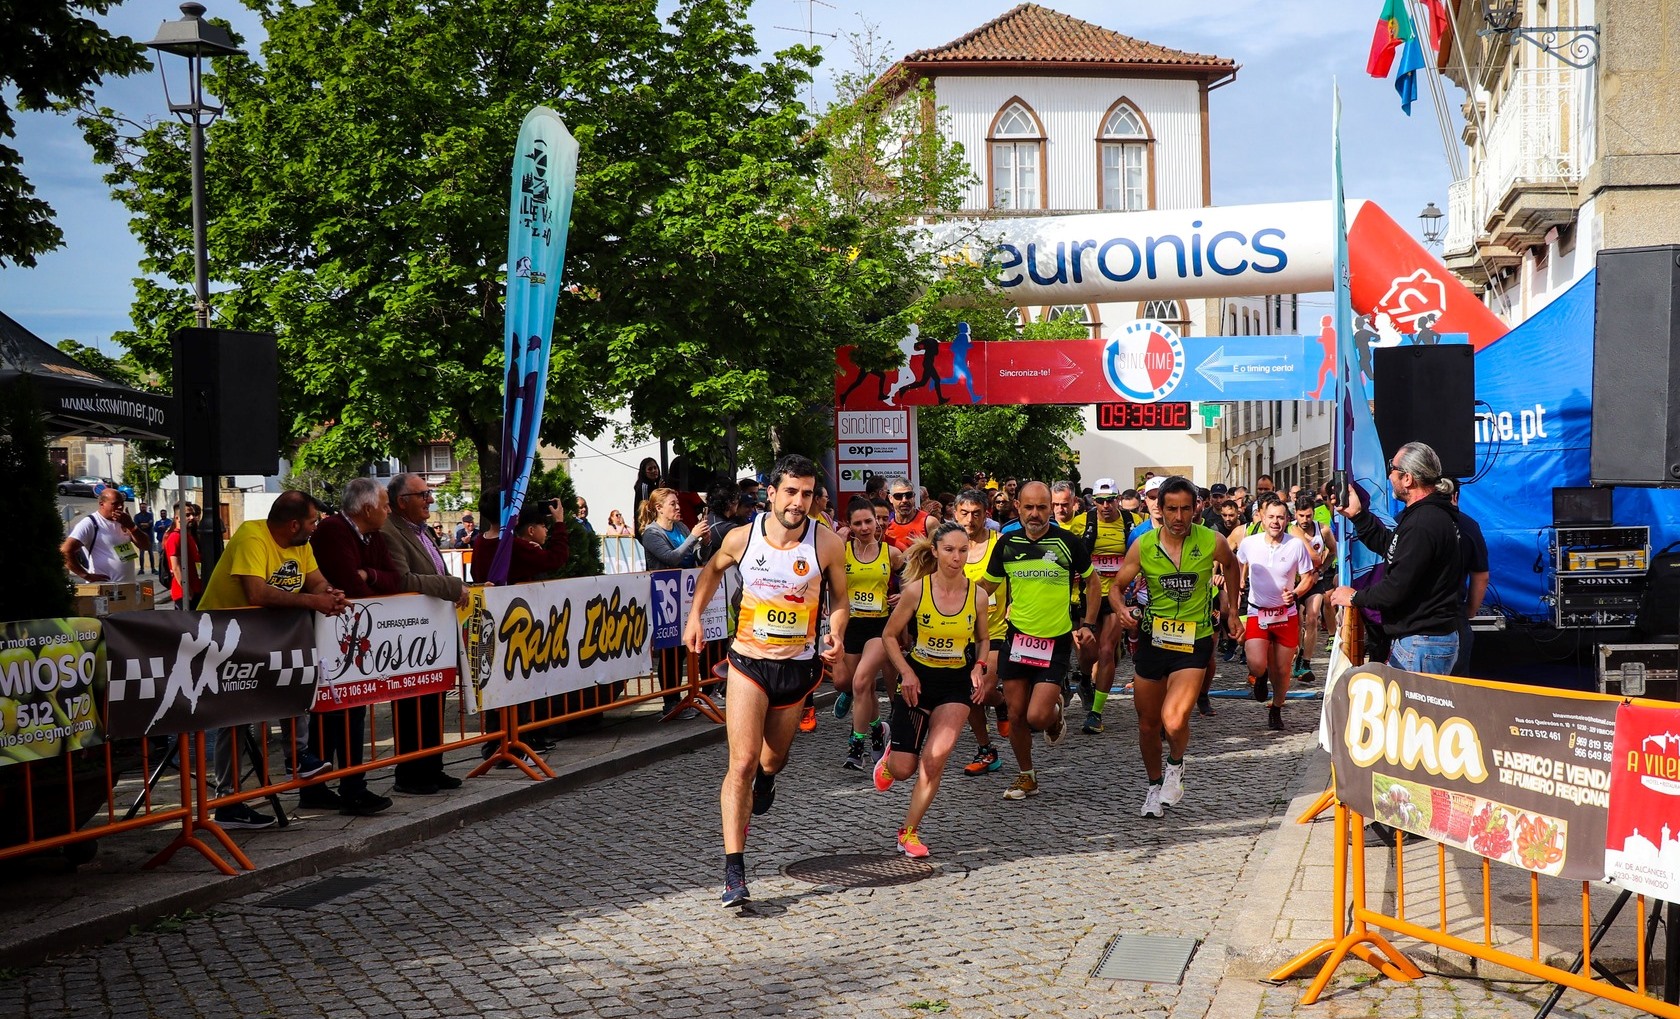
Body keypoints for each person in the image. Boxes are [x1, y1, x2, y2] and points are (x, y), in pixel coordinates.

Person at [683, 454, 848, 908]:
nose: (798, 502)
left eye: (807, 494)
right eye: (790, 492)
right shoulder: (742, 537)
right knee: (741, 762)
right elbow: (712, 571)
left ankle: (768, 778)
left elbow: (840, 600)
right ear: (771, 493)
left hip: (796, 668)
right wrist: (695, 617)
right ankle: (734, 872)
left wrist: (835, 633)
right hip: (748, 662)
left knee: (772, 760)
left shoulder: (827, 543)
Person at [198, 491, 346, 830]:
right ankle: (228, 801)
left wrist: (330, 593)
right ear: (294, 524)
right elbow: (257, 592)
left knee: (294, 680)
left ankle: (298, 756)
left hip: (265, 634)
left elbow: (317, 581)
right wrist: (313, 602)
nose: (316, 527)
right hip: (224, 635)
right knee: (237, 715)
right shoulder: (252, 536)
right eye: (312, 521)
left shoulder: (300, 544)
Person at [1107, 476, 1242, 818]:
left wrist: (1233, 611)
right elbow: (1116, 586)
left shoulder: (1212, 540)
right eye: (1171, 509)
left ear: (1196, 508)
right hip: (1153, 640)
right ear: (1160, 509)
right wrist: (1121, 609)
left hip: (1194, 640)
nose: (1179, 517)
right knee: (1148, 724)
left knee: (1175, 718)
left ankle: (1176, 764)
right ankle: (1154, 787)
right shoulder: (1144, 545)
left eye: (1185, 509)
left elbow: (1232, 566)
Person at [872, 522, 991, 857]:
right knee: (904, 769)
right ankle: (890, 760)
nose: (957, 557)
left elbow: (983, 639)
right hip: (918, 681)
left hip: (955, 684)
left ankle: (908, 832)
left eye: (963, 550)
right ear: (936, 551)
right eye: (949, 550)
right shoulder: (917, 591)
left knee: (935, 760)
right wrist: (906, 672)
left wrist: (980, 667)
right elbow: (889, 636)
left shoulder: (978, 595)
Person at [977, 481, 1098, 801]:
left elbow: (1093, 583)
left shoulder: (1067, 542)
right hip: (1017, 637)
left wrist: (1088, 624)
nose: (1035, 514)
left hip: (1054, 640)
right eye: (1028, 507)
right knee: (1016, 714)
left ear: (1051, 509)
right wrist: (950, 596)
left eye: (1041, 507)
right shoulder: (1007, 543)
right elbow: (986, 587)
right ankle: (1026, 776)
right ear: (1018, 506)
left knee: (1037, 717)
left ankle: (1054, 711)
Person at [1329, 442, 1469, 674]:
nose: (1389, 476)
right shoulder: (1426, 516)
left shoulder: (1423, 522)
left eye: (1391, 468)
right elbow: (1393, 549)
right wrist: (1357, 515)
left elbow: (1395, 589)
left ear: (1407, 479)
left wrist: (1354, 597)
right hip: (1423, 639)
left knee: (1415, 699)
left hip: (1422, 641)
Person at [306, 478, 400, 816]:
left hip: (351, 636)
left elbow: (393, 578)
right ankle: (341, 787)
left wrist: (368, 575)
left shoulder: (373, 535)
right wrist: (368, 586)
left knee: (350, 709)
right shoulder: (334, 531)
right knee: (338, 710)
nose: (389, 510)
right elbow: (349, 584)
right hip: (333, 636)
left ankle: (335, 785)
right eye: (385, 505)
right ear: (368, 508)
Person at [383, 473, 470, 795]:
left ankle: (433, 766)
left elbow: (435, 572)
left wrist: (456, 585)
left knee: (434, 699)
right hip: (408, 635)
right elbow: (404, 579)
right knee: (412, 706)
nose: (430, 500)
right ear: (402, 501)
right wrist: (452, 586)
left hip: (434, 630)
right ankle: (410, 773)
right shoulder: (389, 531)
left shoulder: (422, 531)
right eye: (423, 495)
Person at [1235, 499, 1318, 731]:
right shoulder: (1249, 543)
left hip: (1285, 615)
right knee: (1256, 663)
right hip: (1257, 612)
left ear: (1287, 520)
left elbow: (1309, 577)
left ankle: (1276, 708)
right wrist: (1240, 582)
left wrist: (1295, 593)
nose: (1275, 522)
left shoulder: (1296, 545)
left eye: (1280, 517)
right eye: (1271, 517)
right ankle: (1260, 676)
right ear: (1262, 518)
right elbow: (1239, 563)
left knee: (1282, 671)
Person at [835, 496, 902, 772]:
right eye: (857, 523)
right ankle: (878, 730)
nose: (864, 528)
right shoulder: (842, 551)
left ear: (877, 522)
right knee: (854, 685)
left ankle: (856, 746)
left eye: (868, 521)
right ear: (849, 525)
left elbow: (914, 580)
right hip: (851, 625)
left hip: (879, 627)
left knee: (862, 682)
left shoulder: (891, 553)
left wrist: (903, 595)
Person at [953, 489, 1009, 775]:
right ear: (955, 514)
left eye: (976, 513)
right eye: (964, 513)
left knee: (981, 691)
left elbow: (1017, 577)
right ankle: (986, 750)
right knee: (968, 695)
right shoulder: (949, 546)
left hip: (996, 631)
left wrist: (1015, 604)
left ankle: (1001, 701)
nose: (970, 519)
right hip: (961, 633)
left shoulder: (1000, 543)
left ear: (986, 514)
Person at [1079, 478, 1137, 736]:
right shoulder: (1082, 522)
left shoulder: (1131, 522)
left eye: (1110, 500)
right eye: (1100, 501)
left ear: (1118, 500)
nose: (1105, 506)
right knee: (1087, 653)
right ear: (1094, 501)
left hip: (1116, 595)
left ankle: (1096, 713)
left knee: (1105, 651)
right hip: (1089, 594)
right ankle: (1084, 680)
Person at [1443, 479, 1489, 678]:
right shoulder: (1468, 525)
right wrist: (1469, 610)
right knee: (1457, 689)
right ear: (1455, 496)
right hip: (1454, 618)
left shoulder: (1404, 520)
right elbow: (1481, 576)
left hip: (1412, 623)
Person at [61, 486, 151, 585]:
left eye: (122, 503)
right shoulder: (90, 523)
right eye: (115, 504)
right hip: (104, 589)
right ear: (102, 504)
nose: (120, 507)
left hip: (127, 587)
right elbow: (65, 551)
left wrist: (131, 526)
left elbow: (145, 545)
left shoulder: (124, 521)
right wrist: (86, 575)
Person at [1292, 498, 1337, 684]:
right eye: (1301, 516)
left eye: (1308, 515)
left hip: (1314, 581)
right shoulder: (1290, 530)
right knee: (1297, 621)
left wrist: (1322, 569)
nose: (1305, 520)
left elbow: (1333, 551)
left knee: (1312, 617)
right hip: (1295, 582)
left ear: (1313, 513)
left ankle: (1306, 662)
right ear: (1295, 514)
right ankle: (1297, 653)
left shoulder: (1323, 530)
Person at [638, 487, 709, 569]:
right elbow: (671, 559)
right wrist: (693, 536)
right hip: (667, 577)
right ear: (659, 508)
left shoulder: (681, 526)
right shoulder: (651, 533)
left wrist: (705, 543)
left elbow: (698, 558)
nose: (678, 507)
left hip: (689, 576)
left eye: (677, 503)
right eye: (673, 504)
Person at [163, 503, 205, 609]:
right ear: (177, 518)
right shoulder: (175, 537)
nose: (192, 517)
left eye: (193, 514)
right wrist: (187, 590)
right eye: (187, 515)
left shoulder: (188, 536)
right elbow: (176, 567)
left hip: (196, 589)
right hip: (183, 593)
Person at [882, 476, 929, 551]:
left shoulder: (928, 522)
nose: (904, 500)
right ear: (890, 498)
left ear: (914, 497)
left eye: (908, 495)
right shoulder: (885, 523)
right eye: (898, 496)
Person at [633, 458, 663, 535]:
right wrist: (658, 491)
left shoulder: (654, 484)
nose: (654, 471)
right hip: (646, 528)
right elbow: (646, 508)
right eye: (650, 469)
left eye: (655, 468)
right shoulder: (644, 486)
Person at [132, 502, 155, 573]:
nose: (143, 508)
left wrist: (142, 524)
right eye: (142, 507)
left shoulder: (150, 515)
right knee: (141, 554)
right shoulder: (137, 516)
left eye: (144, 507)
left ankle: (153, 569)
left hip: (149, 537)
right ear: (140, 508)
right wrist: (145, 524)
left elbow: (151, 524)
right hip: (141, 537)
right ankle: (141, 569)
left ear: (146, 507)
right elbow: (137, 525)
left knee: (151, 553)